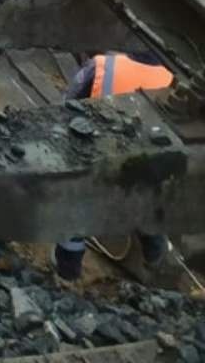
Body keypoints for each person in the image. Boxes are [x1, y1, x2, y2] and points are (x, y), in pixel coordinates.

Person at [54, 51, 174, 283]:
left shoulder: (102, 65)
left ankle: (66, 277)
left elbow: (67, 105)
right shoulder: (172, 80)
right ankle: (157, 264)